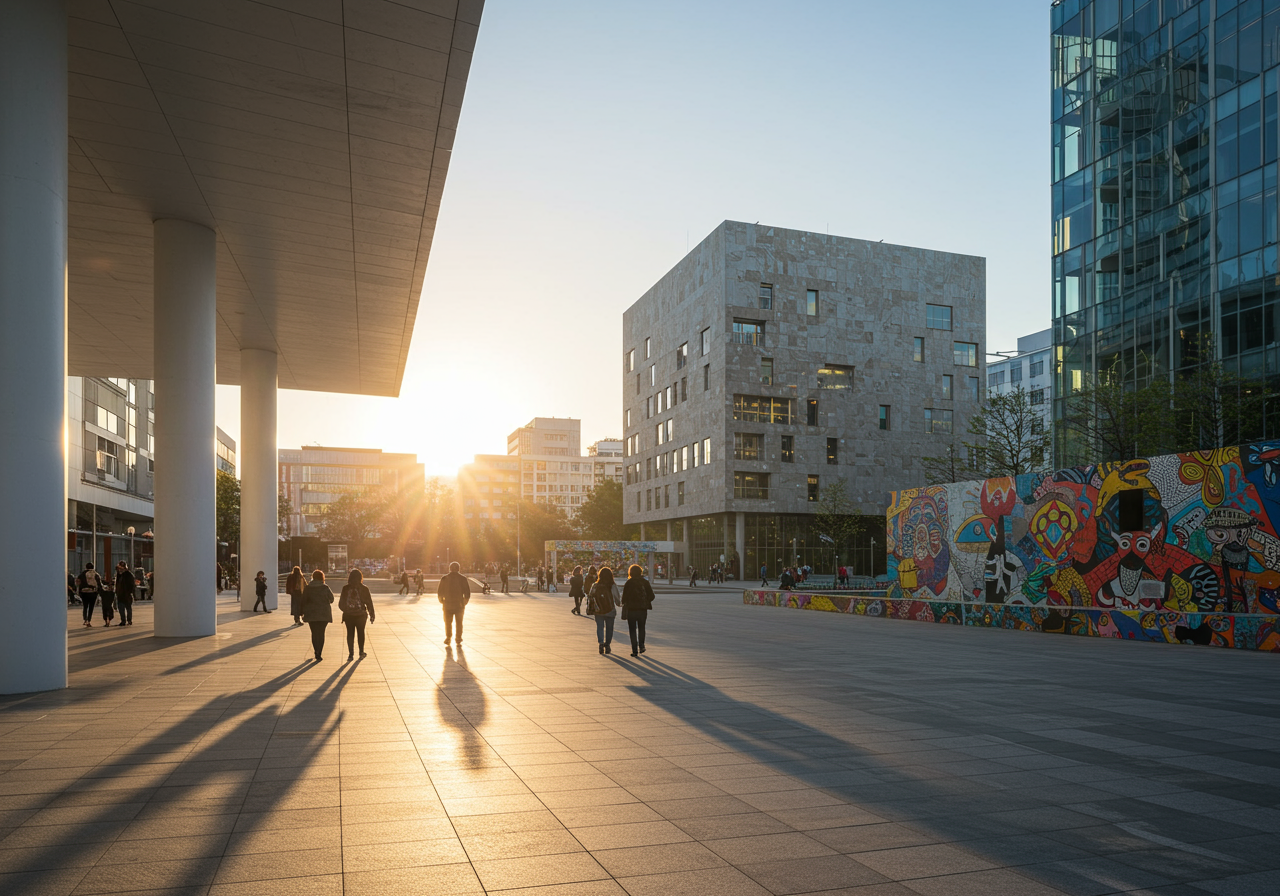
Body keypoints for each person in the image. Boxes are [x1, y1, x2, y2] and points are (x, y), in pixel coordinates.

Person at [339, 568, 375, 661]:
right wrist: (372, 614)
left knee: (350, 634)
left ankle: (351, 654)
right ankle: (361, 652)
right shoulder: (364, 588)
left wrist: (346, 610)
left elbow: (341, 604)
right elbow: (369, 603)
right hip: (361, 615)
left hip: (348, 616)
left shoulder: (345, 588)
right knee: (361, 633)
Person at [620, 564, 655, 657]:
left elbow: (624, 598)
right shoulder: (645, 582)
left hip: (631, 609)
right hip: (642, 609)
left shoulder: (629, 583)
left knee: (632, 630)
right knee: (642, 628)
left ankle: (634, 650)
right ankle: (642, 646)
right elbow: (652, 596)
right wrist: (645, 601)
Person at [300, 569, 334, 661]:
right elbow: (331, 599)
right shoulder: (325, 587)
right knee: (321, 633)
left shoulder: (308, 588)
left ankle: (316, 651)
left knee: (314, 633)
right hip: (324, 614)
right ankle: (320, 652)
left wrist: (301, 612)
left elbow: (303, 600)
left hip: (311, 613)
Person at [587, 566, 620, 655]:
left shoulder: (595, 585)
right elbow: (617, 598)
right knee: (609, 628)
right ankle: (607, 645)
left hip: (598, 610)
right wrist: (619, 603)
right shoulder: (612, 585)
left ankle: (601, 643)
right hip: (610, 610)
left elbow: (590, 596)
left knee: (600, 627)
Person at [437, 561, 470, 645]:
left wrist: (441, 600)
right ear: (458, 569)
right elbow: (467, 592)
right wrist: (464, 602)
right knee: (459, 622)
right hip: (459, 604)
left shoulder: (444, 578)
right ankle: (458, 638)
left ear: (450, 568)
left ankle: (448, 637)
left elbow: (440, 591)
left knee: (448, 622)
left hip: (447, 604)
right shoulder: (463, 578)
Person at [76, 563, 102, 627]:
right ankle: (89, 620)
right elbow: (99, 584)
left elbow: (78, 583)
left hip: (84, 592)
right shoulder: (96, 574)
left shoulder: (82, 574)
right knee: (91, 607)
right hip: (93, 592)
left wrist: (79, 592)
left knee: (85, 606)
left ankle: (85, 619)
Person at [114, 562, 135, 626]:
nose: (120, 569)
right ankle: (123, 620)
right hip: (120, 594)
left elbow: (132, 585)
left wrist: (130, 592)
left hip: (126, 594)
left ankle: (129, 620)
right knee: (121, 609)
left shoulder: (128, 575)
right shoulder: (119, 575)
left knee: (128, 608)